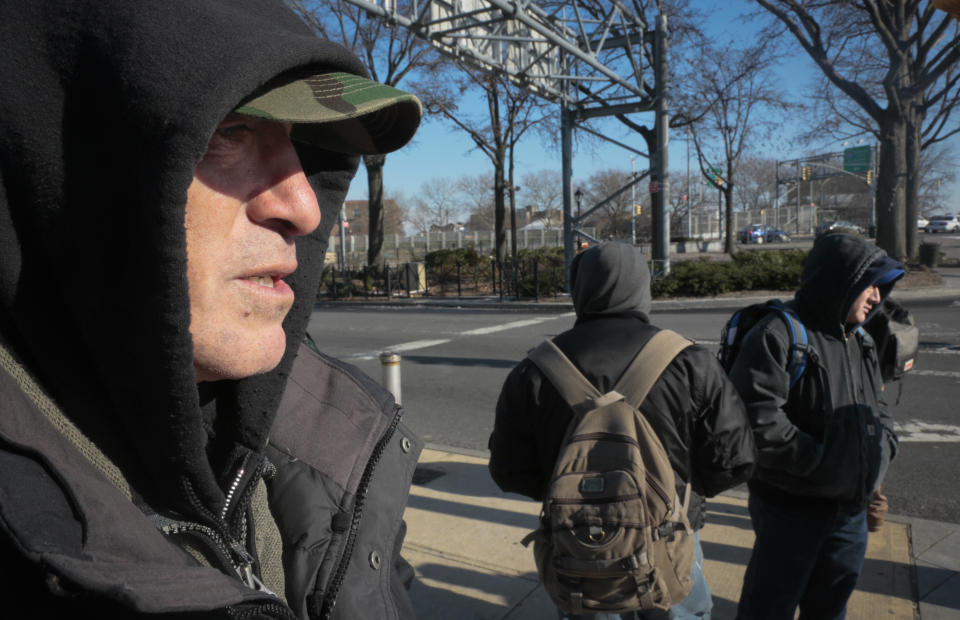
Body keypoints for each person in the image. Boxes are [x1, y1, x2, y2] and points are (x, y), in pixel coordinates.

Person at [0, 1, 423, 617]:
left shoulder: (330, 449)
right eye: (229, 133)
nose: (304, 206)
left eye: (303, 143)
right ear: (65, 164)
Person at [489, 241, 758, 620]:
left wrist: (574, 497)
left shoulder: (536, 369)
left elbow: (508, 470)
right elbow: (735, 460)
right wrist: (682, 492)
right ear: (642, 287)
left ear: (579, 289)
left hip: (581, 547)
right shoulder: (689, 361)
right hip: (671, 537)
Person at [731, 232, 903, 620]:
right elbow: (758, 422)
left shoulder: (860, 339)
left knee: (829, 608)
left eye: (881, 286)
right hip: (790, 511)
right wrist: (824, 464)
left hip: (849, 513)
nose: (877, 297)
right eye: (869, 285)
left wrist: (883, 448)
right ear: (839, 282)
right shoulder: (778, 334)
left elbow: (877, 404)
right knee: (768, 607)